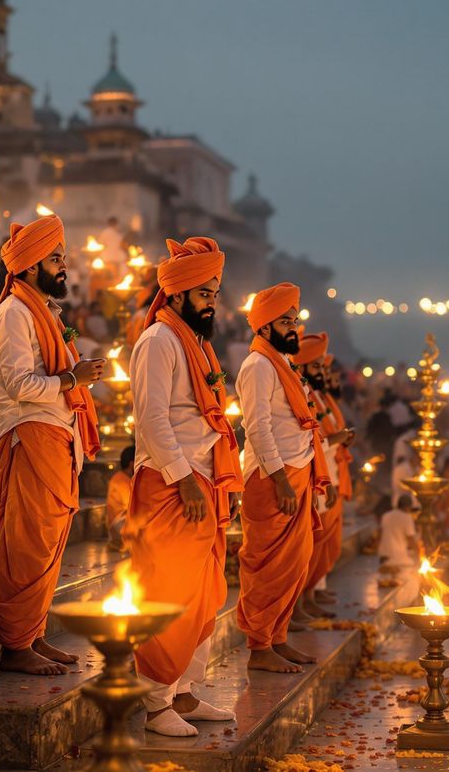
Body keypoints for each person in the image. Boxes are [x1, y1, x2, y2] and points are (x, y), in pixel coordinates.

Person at [126, 236, 242, 736]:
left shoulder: (198, 343)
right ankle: (155, 704)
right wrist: (184, 479)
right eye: (204, 293)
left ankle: (185, 693)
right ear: (176, 295)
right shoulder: (158, 341)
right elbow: (151, 418)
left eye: (215, 292)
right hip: (171, 483)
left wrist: (218, 481)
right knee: (167, 590)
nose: (213, 301)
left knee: (206, 593)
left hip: (206, 480)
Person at [0, 215, 106, 676]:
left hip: (56, 434)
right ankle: (15, 645)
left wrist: (76, 375)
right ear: (30, 266)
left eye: (63, 257)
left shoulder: (45, 312)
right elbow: (19, 384)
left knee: (49, 540)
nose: (64, 266)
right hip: (27, 434)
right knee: (28, 542)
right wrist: (73, 378)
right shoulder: (13, 313)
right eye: (56, 259)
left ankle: (31, 634)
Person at [236, 282, 333, 674]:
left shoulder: (282, 362)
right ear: (264, 327)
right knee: (268, 566)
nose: (293, 328)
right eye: (285, 321)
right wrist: (279, 480)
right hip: (270, 477)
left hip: (298, 471)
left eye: (295, 320)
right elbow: (256, 429)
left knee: (296, 562)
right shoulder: (257, 366)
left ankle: (277, 638)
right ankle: (259, 647)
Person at [296, 333, 355, 623]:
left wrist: (339, 438)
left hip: (329, 472)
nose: (323, 373)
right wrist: (337, 438)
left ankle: (309, 596)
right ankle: (301, 599)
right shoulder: (303, 394)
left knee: (325, 544)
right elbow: (311, 440)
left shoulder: (317, 395)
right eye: (317, 367)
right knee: (313, 543)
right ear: (303, 366)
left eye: (323, 367)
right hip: (316, 475)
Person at [105, 445, 134, 551]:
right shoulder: (121, 480)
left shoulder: (124, 478)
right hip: (119, 523)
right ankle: (120, 542)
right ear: (132, 464)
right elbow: (132, 506)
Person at [378, 493, 418, 569]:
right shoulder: (407, 517)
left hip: (382, 557)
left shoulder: (386, 515)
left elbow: (379, 534)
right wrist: (418, 554)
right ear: (408, 507)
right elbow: (411, 539)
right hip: (397, 559)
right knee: (414, 566)